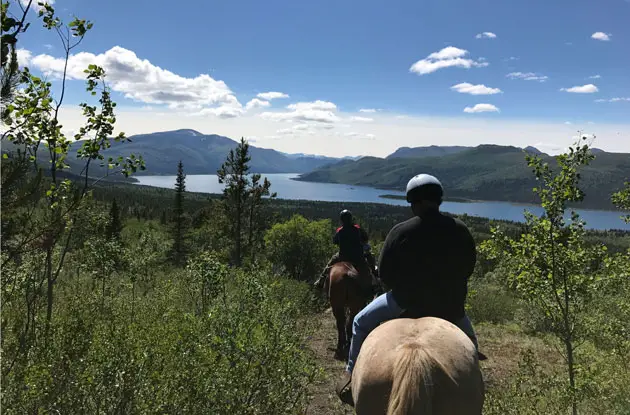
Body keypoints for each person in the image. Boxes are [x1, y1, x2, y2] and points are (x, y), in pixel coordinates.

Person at [335, 173, 486, 405]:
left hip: (403, 302)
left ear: (413, 202)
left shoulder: (400, 231)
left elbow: (384, 273)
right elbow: (468, 267)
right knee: (471, 343)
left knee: (360, 322)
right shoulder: (460, 229)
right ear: (439, 199)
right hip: (450, 306)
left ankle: (350, 373)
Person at [313, 210, 375, 294]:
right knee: (370, 258)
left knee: (330, 264)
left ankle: (320, 281)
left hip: (343, 256)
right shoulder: (358, 229)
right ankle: (375, 279)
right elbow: (365, 238)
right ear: (351, 219)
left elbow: (334, 241)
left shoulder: (340, 230)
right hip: (358, 256)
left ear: (342, 220)